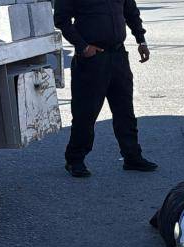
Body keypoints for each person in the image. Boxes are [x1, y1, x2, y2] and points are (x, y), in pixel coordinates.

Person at [54, 0, 158, 178]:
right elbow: (61, 19)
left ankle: (132, 156)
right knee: (85, 112)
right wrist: (83, 46)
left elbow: (131, 12)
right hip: (92, 59)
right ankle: (75, 159)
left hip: (118, 56)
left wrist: (141, 40)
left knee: (125, 111)